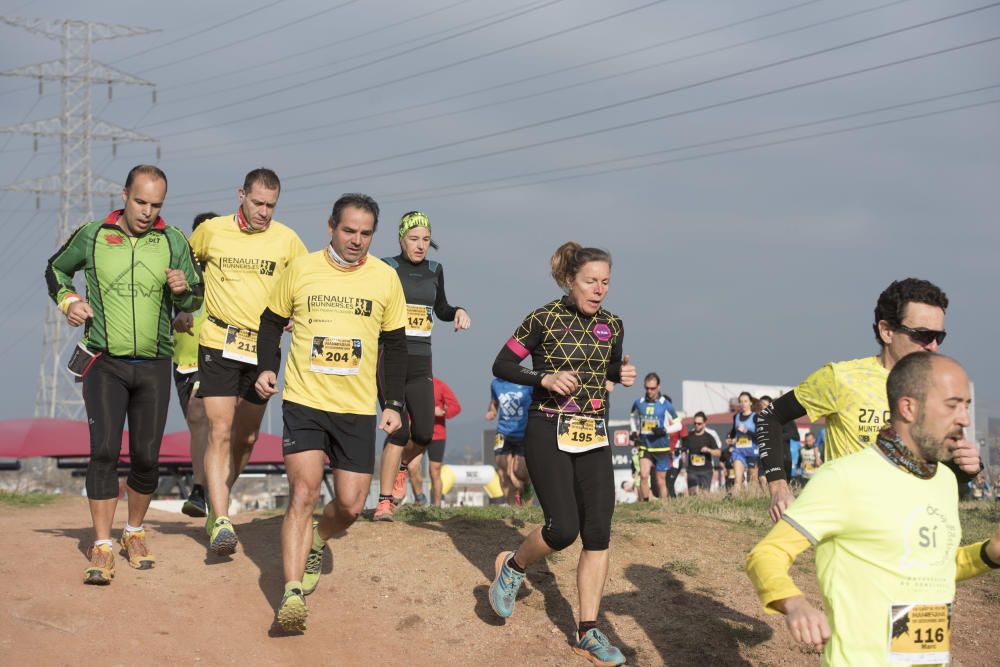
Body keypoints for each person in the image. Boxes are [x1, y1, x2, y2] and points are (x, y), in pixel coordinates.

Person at [746, 352, 999, 664]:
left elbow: (934, 566)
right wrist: (796, 604)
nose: (964, 419)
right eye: (952, 405)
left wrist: (990, 553)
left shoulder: (944, 482)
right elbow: (766, 555)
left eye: (966, 406)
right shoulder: (845, 478)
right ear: (908, 407)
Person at [254, 193, 407, 632]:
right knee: (303, 494)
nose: (356, 240)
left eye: (365, 233)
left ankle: (319, 539)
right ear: (330, 227)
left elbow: (395, 346)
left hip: (356, 407)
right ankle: (291, 594)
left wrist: (392, 403)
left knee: (351, 505)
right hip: (304, 400)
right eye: (348, 230)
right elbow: (270, 320)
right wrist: (267, 366)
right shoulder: (301, 269)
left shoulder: (384, 278)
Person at [45, 165, 203, 584]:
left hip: (154, 363)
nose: (148, 211)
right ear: (124, 195)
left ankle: (133, 531)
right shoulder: (94, 235)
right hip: (104, 361)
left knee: (148, 456)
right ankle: (101, 543)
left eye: (156, 204)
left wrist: (182, 290)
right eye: (140, 201)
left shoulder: (173, 241)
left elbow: (197, 297)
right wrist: (69, 301)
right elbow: (56, 270)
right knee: (104, 451)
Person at [487, 241, 636, 666]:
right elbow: (502, 364)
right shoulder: (543, 318)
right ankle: (513, 567)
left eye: (605, 282)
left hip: (593, 433)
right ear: (570, 280)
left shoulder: (613, 324)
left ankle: (588, 630)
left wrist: (619, 373)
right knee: (562, 528)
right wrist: (545, 377)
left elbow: (602, 367)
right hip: (547, 428)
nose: (599, 290)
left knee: (599, 532)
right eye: (590, 281)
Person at [758, 279, 982, 522]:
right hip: (850, 528)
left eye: (940, 337)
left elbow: (938, 472)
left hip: (913, 529)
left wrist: (965, 468)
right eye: (924, 335)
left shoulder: (940, 388)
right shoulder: (841, 379)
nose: (933, 346)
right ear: (887, 331)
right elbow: (770, 416)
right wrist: (778, 486)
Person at [188, 168, 307, 555]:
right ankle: (221, 518)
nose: (264, 212)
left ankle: (217, 494)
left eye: (271, 206)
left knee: (246, 436)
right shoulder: (212, 231)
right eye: (258, 203)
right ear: (241, 194)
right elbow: (185, 265)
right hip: (218, 342)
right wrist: (183, 300)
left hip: (263, 348)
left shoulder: (288, 240)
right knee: (219, 428)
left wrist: (296, 311)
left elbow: (307, 281)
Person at [373, 211, 470, 521]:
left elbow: (440, 308)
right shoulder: (386, 267)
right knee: (398, 431)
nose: (420, 245)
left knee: (425, 433)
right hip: (389, 357)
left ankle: (401, 467)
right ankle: (385, 501)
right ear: (401, 238)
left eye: (426, 240)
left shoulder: (434, 269)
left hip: (421, 359)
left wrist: (458, 311)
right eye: (414, 239)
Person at [171, 212, 216, 517]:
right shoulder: (177, 272)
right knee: (198, 424)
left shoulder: (230, 272)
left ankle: (205, 491)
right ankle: (204, 488)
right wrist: (174, 319)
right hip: (183, 359)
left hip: (218, 353)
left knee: (206, 418)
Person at [407, 377, 461, 507]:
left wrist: (443, 412)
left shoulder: (440, 385)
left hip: (437, 435)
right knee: (412, 467)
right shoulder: (411, 385)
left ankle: (436, 506)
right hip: (417, 433)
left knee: (434, 470)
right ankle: (419, 498)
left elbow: (456, 407)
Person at [629, 373, 680, 501]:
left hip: (661, 447)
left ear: (658, 387)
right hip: (645, 445)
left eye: (652, 388)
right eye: (647, 388)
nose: (649, 391)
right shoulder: (638, 403)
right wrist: (634, 430)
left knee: (660, 481)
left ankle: (664, 509)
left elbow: (678, 425)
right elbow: (632, 416)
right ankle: (646, 506)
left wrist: (664, 430)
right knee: (644, 476)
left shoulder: (666, 404)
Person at [486, 377, 533, 505]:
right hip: (502, 432)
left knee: (521, 472)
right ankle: (514, 509)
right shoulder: (496, 383)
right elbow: (494, 402)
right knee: (502, 469)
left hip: (523, 433)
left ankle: (527, 488)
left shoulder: (528, 383)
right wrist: (492, 411)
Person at [726, 392, 760, 492]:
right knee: (737, 480)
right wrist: (730, 438)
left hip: (752, 452)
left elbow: (759, 436)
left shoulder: (755, 417)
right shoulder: (736, 417)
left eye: (745, 401)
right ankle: (735, 503)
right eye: (741, 402)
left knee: (752, 479)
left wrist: (746, 431)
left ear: (750, 403)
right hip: (739, 452)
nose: (743, 404)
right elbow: (733, 432)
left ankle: (752, 500)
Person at [682, 412, 721, 495]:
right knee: (692, 493)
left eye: (699, 423)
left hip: (706, 471)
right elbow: (683, 450)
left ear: (704, 424)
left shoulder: (709, 437)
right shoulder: (689, 436)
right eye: (695, 423)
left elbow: (718, 453)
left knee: (705, 494)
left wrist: (709, 450)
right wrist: (683, 461)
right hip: (692, 471)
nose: (697, 425)